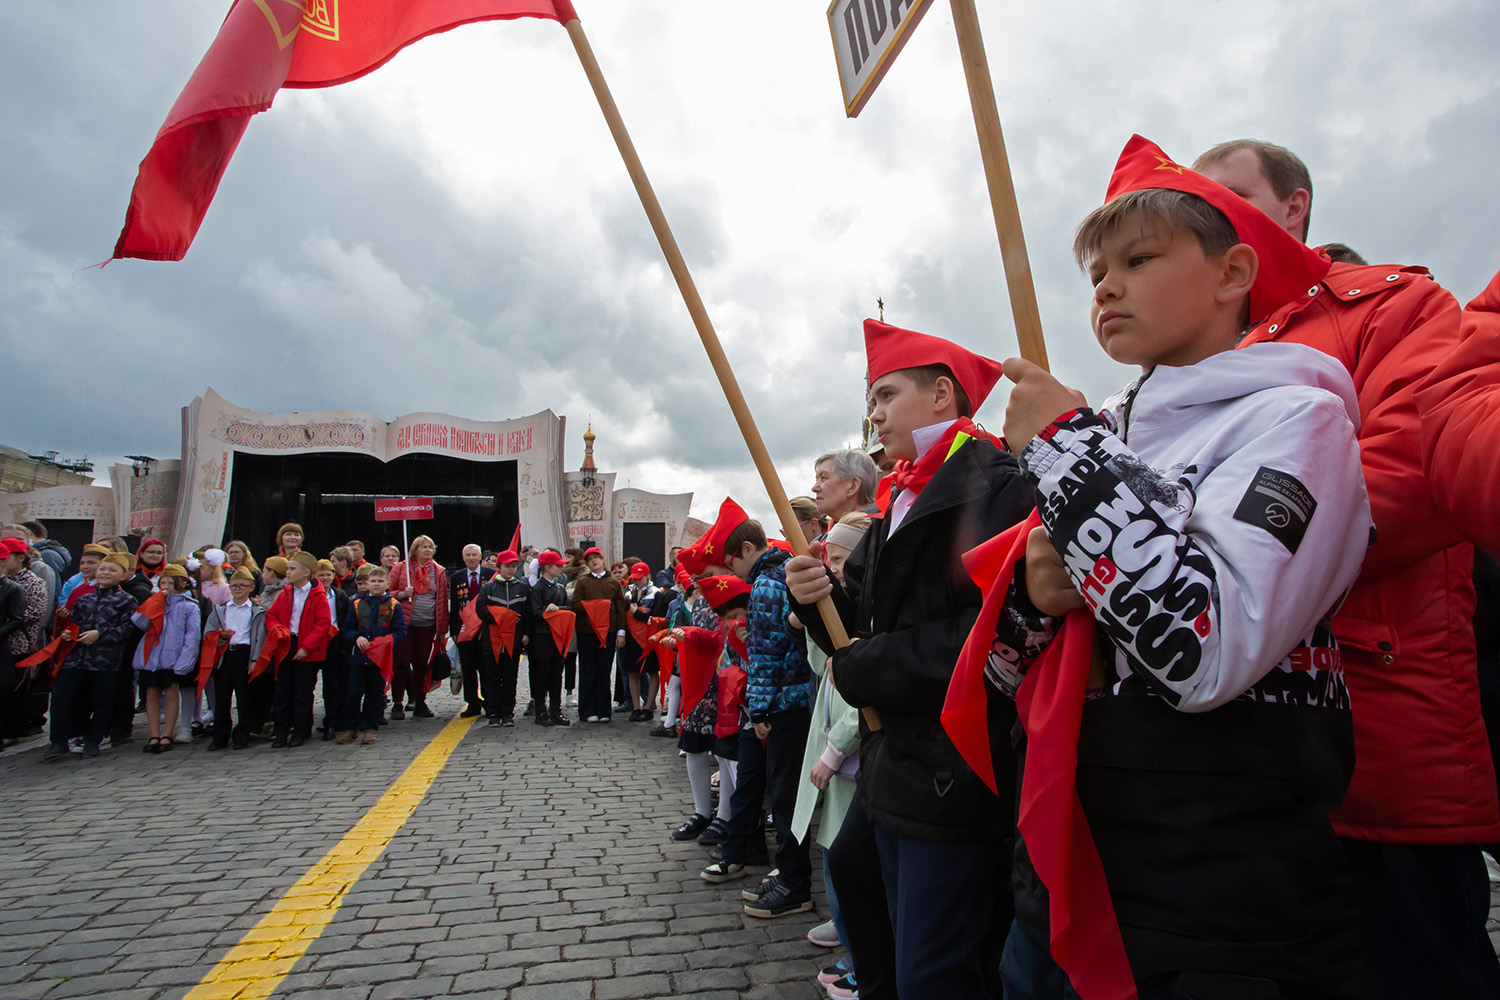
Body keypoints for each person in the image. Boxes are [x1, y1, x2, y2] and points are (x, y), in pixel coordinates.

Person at [986, 136, 1372, 999]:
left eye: (1138, 259)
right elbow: (1005, 670)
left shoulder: (1298, 421)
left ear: (1233, 273)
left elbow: (1203, 648)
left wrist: (1064, 449)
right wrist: (1038, 596)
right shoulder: (1103, 432)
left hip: (1218, 900)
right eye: (1095, 274)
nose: (1106, 288)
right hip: (1060, 862)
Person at [1194, 137, 1500, 998]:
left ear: (1293, 210)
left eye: (1227, 198)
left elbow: (1401, 482)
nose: (1202, 218)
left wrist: (1201, 561)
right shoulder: (1197, 346)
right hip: (1230, 750)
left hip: (1373, 725)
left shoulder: (1393, 305)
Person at [785, 318, 1035, 998]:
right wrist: (816, 598)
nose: (874, 414)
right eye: (873, 398)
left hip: (957, 771)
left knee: (935, 969)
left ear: (943, 394)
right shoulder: (900, 495)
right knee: (873, 926)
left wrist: (869, 666)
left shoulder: (999, 485)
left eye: (887, 394)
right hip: (894, 765)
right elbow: (858, 610)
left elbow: (992, 632)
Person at [700, 505, 816, 921]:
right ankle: (788, 870)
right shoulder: (783, 572)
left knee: (784, 794)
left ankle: (794, 882)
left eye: (733, 561)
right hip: (799, 696)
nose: (733, 571)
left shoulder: (766, 585)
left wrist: (760, 708)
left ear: (749, 548)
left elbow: (766, 656)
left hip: (786, 701)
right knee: (783, 792)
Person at [791, 512, 871, 997]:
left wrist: (836, 751)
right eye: (831, 560)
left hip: (852, 757)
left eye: (843, 560)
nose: (835, 569)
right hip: (830, 747)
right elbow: (823, 663)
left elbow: (865, 698)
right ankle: (848, 934)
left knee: (850, 858)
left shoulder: (872, 608)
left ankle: (861, 951)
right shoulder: (845, 603)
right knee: (832, 849)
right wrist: (812, 618)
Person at [43, 552, 138, 761]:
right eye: (103, 569)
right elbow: (73, 624)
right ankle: (58, 742)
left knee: (102, 702)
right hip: (75, 659)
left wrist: (100, 634)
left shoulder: (127, 601)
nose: (105, 573)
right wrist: (67, 633)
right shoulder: (84, 598)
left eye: (112, 570)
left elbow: (127, 630)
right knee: (60, 698)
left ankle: (94, 740)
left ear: (122, 575)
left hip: (105, 661)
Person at [265, 550, 332, 748]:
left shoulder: (317, 595)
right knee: (282, 691)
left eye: (292, 569)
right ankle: (281, 731)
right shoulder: (286, 593)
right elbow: (271, 616)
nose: (288, 572)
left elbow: (323, 623)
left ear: (306, 573)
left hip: (306, 648)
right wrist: (277, 630)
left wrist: (306, 647)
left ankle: (301, 730)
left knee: (303, 692)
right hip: (287, 643)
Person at [131, 563, 200, 752]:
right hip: (153, 656)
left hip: (173, 658)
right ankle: (154, 734)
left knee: (171, 693)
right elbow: (139, 622)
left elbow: (192, 637)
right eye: (163, 582)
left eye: (170, 583)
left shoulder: (189, 607)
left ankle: (168, 733)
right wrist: (155, 603)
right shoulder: (156, 601)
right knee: (151, 694)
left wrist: (185, 661)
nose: (166, 586)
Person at [338, 565, 406, 745]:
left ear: (388, 584)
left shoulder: (394, 605)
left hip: (381, 658)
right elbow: (347, 629)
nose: (376, 584)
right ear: (367, 583)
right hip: (359, 656)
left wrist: (386, 641)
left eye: (380, 581)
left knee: (375, 694)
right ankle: (351, 728)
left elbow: (400, 632)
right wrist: (356, 637)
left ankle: (370, 728)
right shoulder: (357, 604)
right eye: (373, 581)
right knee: (353, 692)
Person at [203, 567, 264, 750]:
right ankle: (220, 735)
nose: (237, 589)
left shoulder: (256, 611)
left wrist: (254, 660)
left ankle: (242, 734)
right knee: (222, 697)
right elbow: (208, 633)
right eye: (234, 586)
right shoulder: (220, 610)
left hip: (244, 654)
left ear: (251, 587)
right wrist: (221, 636)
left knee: (244, 697)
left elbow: (260, 637)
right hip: (226, 654)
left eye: (242, 586)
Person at [388, 536, 447, 719]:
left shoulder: (438, 571)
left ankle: (420, 701)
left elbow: (443, 601)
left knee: (421, 663)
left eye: (430, 547)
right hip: (404, 624)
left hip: (427, 624)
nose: (428, 550)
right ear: (414, 550)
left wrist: (442, 628)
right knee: (401, 662)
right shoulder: (401, 568)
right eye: (424, 547)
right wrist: (401, 594)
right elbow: (385, 592)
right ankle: (398, 702)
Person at [572, 547, 627, 723]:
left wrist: (621, 632)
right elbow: (575, 604)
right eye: (590, 559)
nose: (594, 561)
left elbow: (620, 609)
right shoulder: (582, 583)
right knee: (588, 671)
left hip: (609, 632)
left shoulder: (613, 582)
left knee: (604, 671)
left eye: (596, 558)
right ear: (587, 564)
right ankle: (587, 710)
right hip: (587, 632)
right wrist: (595, 606)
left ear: (602, 559)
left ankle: (604, 709)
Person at [476, 550, 530, 727]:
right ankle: (492, 713)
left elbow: (527, 613)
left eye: (514, 566)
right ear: (499, 567)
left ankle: (507, 713)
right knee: (491, 679)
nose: (511, 569)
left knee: (509, 679)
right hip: (492, 641)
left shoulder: (522, 587)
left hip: (513, 641)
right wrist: (504, 617)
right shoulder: (487, 588)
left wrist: (526, 634)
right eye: (507, 566)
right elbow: (481, 610)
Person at [449, 543, 495, 719]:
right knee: (468, 669)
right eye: (467, 555)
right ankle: (472, 703)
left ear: (480, 557)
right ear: (463, 557)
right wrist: (453, 630)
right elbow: (454, 605)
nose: (470, 558)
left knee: (485, 668)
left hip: (484, 629)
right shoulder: (456, 577)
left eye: (474, 555)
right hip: (464, 629)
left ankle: (489, 701)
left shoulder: (490, 575)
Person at [528, 550, 571, 727]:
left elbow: (568, 607)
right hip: (543, 635)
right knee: (542, 673)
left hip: (558, 636)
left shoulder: (559, 588)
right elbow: (535, 612)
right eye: (558, 566)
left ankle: (555, 709)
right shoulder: (537, 588)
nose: (561, 569)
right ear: (547, 567)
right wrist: (549, 611)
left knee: (556, 674)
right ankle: (540, 711)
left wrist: (558, 608)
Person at [314, 559, 351, 740]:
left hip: (334, 640)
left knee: (334, 683)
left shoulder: (340, 595)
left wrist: (344, 645)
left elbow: (345, 619)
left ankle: (334, 720)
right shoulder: (312, 594)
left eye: (329, 574)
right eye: (321, 575)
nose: (325, 578)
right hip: (315, 640)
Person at [812, 449, 879, 525]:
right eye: (817, 479)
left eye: (824, 477)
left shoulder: (883, 531)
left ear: (853, 486)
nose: (814, 488)